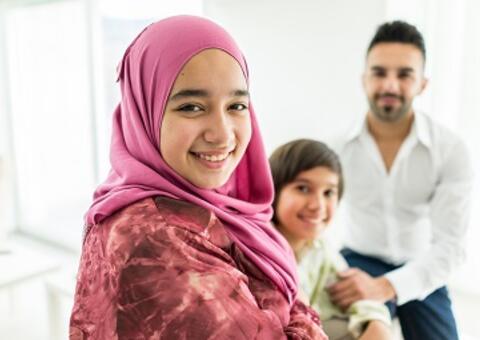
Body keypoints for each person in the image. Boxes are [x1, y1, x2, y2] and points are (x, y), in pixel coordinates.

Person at [69, 16, 327, 340]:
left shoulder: (199, 202)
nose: (221, 134)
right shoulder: (157, 237)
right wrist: (301, 304)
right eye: (191, 107)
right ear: (144, 111)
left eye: (236, 105)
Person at [328, 21, 474, 340]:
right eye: (379, 73)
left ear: (423, 83)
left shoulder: (451, 150)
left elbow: (452, 245)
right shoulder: (336, 149)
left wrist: (388, 286)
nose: (390, 86)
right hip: (357, 262)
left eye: (404, 74)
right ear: (364, 79)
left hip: (422, 268)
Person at [269, 139, 392, 340]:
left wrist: (377, 323)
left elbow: (357, 297)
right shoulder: (260, 247)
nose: (318, 205)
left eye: (328, 192)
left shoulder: (319, 249)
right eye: (303, 188)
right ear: (273, 189)